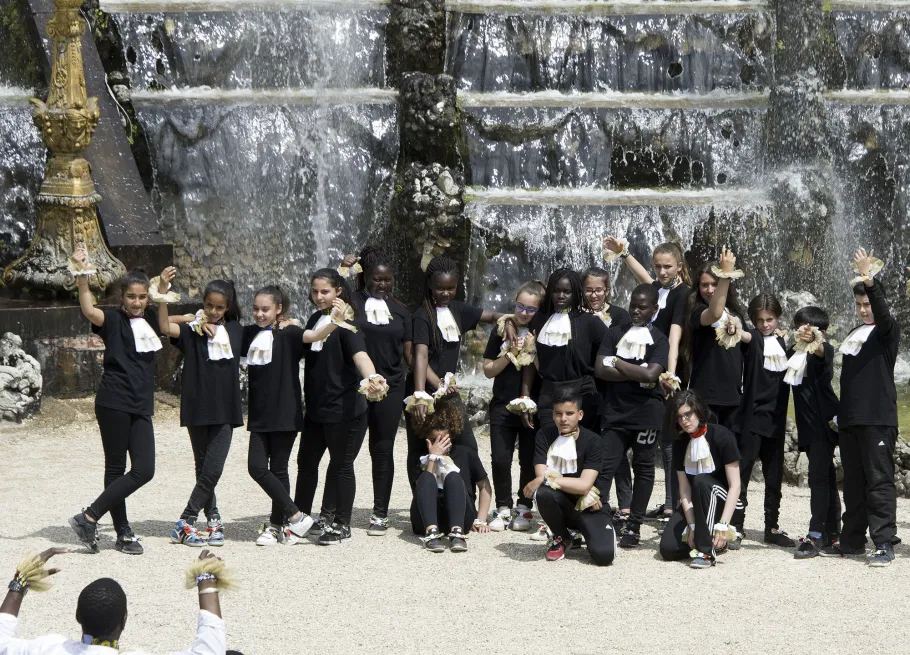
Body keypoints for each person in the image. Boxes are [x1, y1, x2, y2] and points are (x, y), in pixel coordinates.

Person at [68, 252, 164, 556]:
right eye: (132, 297)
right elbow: (87, 307)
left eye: (142, 297)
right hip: (113, 401)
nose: (137, 302)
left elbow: (167, 320)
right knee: (116, 467)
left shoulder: (148, 320)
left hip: (140, 404)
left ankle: (88, 517)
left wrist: (189, 315)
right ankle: (122, 533)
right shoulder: (111, 319)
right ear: (122, 297)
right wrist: (82, 274)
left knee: (145, 469)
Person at [242, 285, 342, 546]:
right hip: (260, 414)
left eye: (265, 309)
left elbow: (314, 335)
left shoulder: (290, 332)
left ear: (279, 309)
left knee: (278, 468)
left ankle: (277, 526)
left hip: (285, 411)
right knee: (256, 467)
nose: (260, 314)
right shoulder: (251, 333)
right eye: (255, 309)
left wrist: (335, 321)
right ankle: (296, 516)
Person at [294, 269, 388, 546]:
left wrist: (372, 377)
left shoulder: (349, 324)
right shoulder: (315, 319)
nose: (319, 296)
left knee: (341, 465)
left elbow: (361, 355)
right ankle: (300, 518)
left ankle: (341, 523)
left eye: (325, 291)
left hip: (345, 409)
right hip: (315, 409)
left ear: (338, 292)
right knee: (306, 464)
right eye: (315, 291)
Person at [604, 237, 692, 530]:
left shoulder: (682, 295)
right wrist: (625, 253)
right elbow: (645, 281)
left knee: (667, 443)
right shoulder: (656, 289)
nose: (662, 271)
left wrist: (670, 375)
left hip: (663, 365)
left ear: (679, 267)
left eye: (667, 266)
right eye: (658, 266)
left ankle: (671, 503)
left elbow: (676, 336)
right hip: (640, 363)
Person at [155, 269, 243, 547]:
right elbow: (164, 325)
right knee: (203, 466)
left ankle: (186, 520)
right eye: (209, 306)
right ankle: (213, 519)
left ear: (227, 308)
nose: (214, 311)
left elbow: (268, 330)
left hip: (225, 410)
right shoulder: (192, 331)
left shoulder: (237, 331)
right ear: (203, 303)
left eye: (219, 307)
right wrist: (190, 317)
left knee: (213, 468)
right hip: (196, 408)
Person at [823, 248, 899, 566]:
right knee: (853, 484)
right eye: (859, 305)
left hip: (878, 417)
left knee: (879, 481)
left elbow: (881, 311)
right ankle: (853, 540)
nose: (864, 309)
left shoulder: (887, 331)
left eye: (867, 304)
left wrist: (869, 279)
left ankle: (883, 542)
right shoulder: (854, 334)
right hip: (851, 420)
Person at [0, 548, 226, 654]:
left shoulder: (48, 648)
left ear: (78, 616)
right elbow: (211, 650)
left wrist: (20, 582)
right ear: (124, 620)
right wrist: (206, 579)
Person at [406, 256, 508, 487]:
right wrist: (422, 394)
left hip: (447, 391)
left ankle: (465, 500)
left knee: (466, 445)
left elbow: (491, 316)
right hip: (425, 391)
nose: (445, 293)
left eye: (450, 288)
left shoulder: (458, 309)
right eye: (440, 288)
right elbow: (419, 357)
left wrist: (508, 322)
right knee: (421, 448)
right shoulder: (422, 315)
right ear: (430, 285)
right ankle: (423, 503)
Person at [339, 247, 413, 536]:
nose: (382, 284)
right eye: (376, 279)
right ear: (366, 277)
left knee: (382, 450)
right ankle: (338, 511)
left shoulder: (401, 309)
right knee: (347, 451)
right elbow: (332, 295)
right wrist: (344, 268)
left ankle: (380, 513)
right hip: (356, 388)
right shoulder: (352, 302)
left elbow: (408, 353)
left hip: (391, 389)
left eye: (387, 279)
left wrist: (424, 386)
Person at [595, 284, 668, 548]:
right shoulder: (614, 333)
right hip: (615, 413)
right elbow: (599, 370)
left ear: (654, 309)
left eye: (642, 307)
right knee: (605, 466)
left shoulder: (659, 339)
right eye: (633, 306)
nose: (636, 311)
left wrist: (616, 362)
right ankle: (600, 516)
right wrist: (638, 373)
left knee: (644, 467)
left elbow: (652, 375)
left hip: (647, 414)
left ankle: (634, 524)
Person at [525, 385, 616, 565]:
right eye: (558, 414)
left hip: (591, 507)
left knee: (604, 556)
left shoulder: (594, 441)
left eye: (569, 413)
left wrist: (545, 478)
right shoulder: (544, 435)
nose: (563, 419)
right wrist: (544, 479)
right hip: (561, 504)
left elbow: (584, 485)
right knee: (544, 493)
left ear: (580, 415)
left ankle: (596, 531)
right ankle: (562, 536)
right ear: (552, 415)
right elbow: (541, 479)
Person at [730, 293, 793, 549]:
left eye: (770, 319)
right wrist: (734, 324)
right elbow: (743, 335)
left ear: (778, 318)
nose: (766, 324)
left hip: (776, 420)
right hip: (752, 418)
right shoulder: (753, 338)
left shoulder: (784, 343)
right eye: (760, 320)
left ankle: (772, 527)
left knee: (774, 476)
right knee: (742, 474)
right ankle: (736, 525)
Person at [481, 281, 545, 532]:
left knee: (528, 459)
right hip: (502, 404)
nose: (523, 313)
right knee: (500, 458)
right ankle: (503, 506)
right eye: (520, 306)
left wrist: (533, 348)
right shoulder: (500, 331)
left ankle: (524, 506)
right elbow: (487, 371)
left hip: (532, 405)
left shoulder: (542, 333)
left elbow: (545, 371)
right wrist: (509, 355)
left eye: (530, 309)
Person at [659, 390, 742, 569]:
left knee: (702, 481)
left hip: (723, 500)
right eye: (679, 417)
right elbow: (684, 489)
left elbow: (735, 486)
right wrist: (692, 526)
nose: (684, 420)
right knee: (668, 549)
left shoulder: (722, 436)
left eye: (688, 414)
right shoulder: (680, 442)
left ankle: (706, 552)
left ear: (698, 411)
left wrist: (723, 525)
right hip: (695, 503)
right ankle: (707, 538)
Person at [521, 268, 606, 433]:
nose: (561, 295)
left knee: (581, 450)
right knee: (551, 448)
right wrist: (525, 398)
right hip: (549, 393)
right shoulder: (539, 319)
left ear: (576, 293)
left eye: (567, 292)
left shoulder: (590, 322)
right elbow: (529, 360)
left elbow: (609, 351)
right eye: (556, 291)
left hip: (583, 395)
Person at [786, 306, 841, 559]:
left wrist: (814, 340)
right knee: (826, 477)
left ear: (823, 333)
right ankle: (833, 531)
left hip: (824, 424)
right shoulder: (794, 353)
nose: (804, 332)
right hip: (808, 427)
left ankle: (816, 534)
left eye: (810, 329)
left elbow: (822, 351)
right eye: (800, 327)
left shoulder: (824, 351)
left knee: (818, 478)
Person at [581, 266, 633, 525]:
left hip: (614, 389)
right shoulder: (576, 316)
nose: (593, 295)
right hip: (587, 389)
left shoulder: (621, 315)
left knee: (618, 448)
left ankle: (626, 505)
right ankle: (597, 500)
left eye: (598, 289)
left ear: (608, 290)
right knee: (589, 444)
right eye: (588, 290)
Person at [411, 398, 493, 552]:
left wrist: (481, 519)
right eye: (435, 440)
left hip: (461, 515)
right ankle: (431, 532)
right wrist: (433, 458)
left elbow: (484, 486)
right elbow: (421, 489)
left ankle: (457, 533)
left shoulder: (465, 453)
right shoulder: (419, 457)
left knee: (453, 476)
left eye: (444, 440)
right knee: (426, 477)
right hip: (427, 516)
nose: (440, 444)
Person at [682, 249, 751, 428]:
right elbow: (714, 313)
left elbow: (748, 349)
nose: (710, 290)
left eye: (715, 284)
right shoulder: (696, 311)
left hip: (733, 397)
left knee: (730, 451)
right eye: (704, 285)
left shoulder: (736, 315)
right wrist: (725, 275)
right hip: (706, 397)